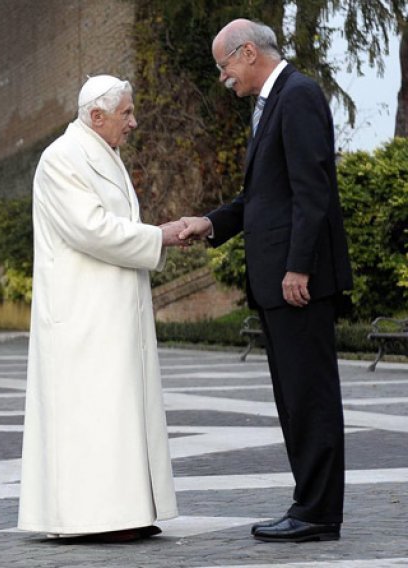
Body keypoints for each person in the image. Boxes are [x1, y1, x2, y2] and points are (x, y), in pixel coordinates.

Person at [178, 19, 353, 543]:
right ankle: (310, 504)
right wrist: (211, 223)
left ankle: (318, 512)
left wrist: (298, 265)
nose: (222, 76)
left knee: (311, 397)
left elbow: (312, 189)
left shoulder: (296, 97)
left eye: (224, 65)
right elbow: (263, 199)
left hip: (296, 280)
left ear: (248, 52)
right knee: (294, 399)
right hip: (278, 281)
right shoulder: (271, 104)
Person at [17, 74, 182, 543]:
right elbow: (91, 229)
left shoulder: (101, 154)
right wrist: (160, 235)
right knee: (92, 418)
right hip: (83, 315)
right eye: (126, 113)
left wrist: (155, 237)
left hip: (111, 311)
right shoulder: (61, 159)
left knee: (119, 414)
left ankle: (125, 511)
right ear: (96, 116)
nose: (134, 122)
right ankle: (92, 519)